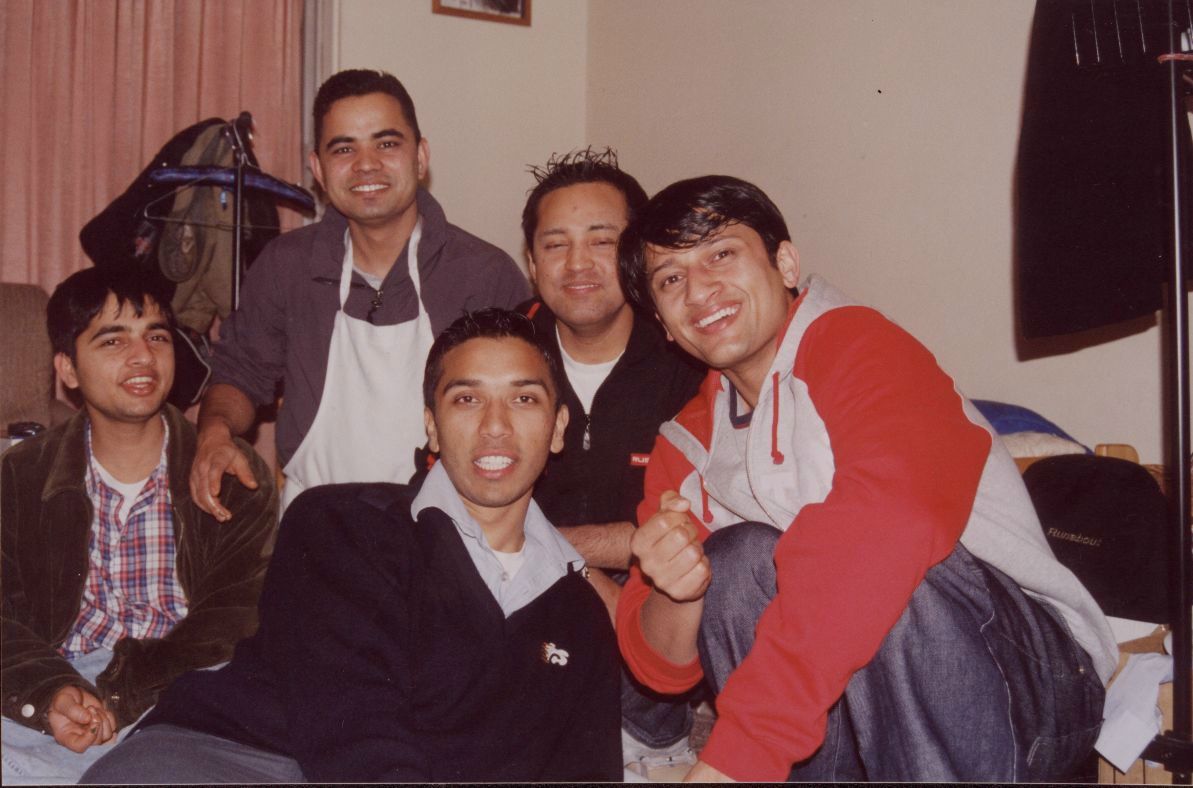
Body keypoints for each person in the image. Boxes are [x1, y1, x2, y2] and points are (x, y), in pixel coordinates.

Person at [614, 175, 1118, 783]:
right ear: (664, 324)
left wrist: (741, 755)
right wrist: (677, 591)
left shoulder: (859, 345)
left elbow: (888, 527)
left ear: (785, 263)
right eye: (671, 279)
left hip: (1033, 687)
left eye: (721, 253)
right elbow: (662, 669)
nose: (699, 289)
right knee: (738, 558)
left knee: (886, 558)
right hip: (850, 707)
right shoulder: (684, 444)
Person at [80, 309, 622, 784]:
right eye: (467, 398)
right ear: (432, 428)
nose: (495, 426)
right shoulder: (341, 524)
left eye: (524, 398)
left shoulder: (581, 615)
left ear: (558, 427)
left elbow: (586, 771)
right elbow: (357, 728)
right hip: (235, 755)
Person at [190, 69, 529, 517]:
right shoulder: (286, 266)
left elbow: (527, 408)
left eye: (386, 144)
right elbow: (240, 371)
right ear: (318, 169)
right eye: (344, 148)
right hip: (316, 523)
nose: (366, 164)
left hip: (451, 524)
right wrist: (214, 433)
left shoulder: (483, 274)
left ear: (420, 157)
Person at [1, 267, 277, 785]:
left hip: (184, 688)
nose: (142, 356)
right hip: (62, 681)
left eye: (156, 336)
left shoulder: (231, 473)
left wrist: (120, 693)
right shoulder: (20, 476)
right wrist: (51, 691)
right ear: (68, 369)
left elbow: (233, 619)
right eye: (113, 340)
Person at [518, 148, 705, 771]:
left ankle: (648, 736)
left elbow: (699, 524)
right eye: (555, 244)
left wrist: (568, 552)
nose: (578, 264)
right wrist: (558, 559)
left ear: (635, 255)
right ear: (531, 262)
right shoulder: (499, 348)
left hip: (644, 589)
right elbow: (446, 491)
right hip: (521, 574)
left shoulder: (690, 353)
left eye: (602, 241)